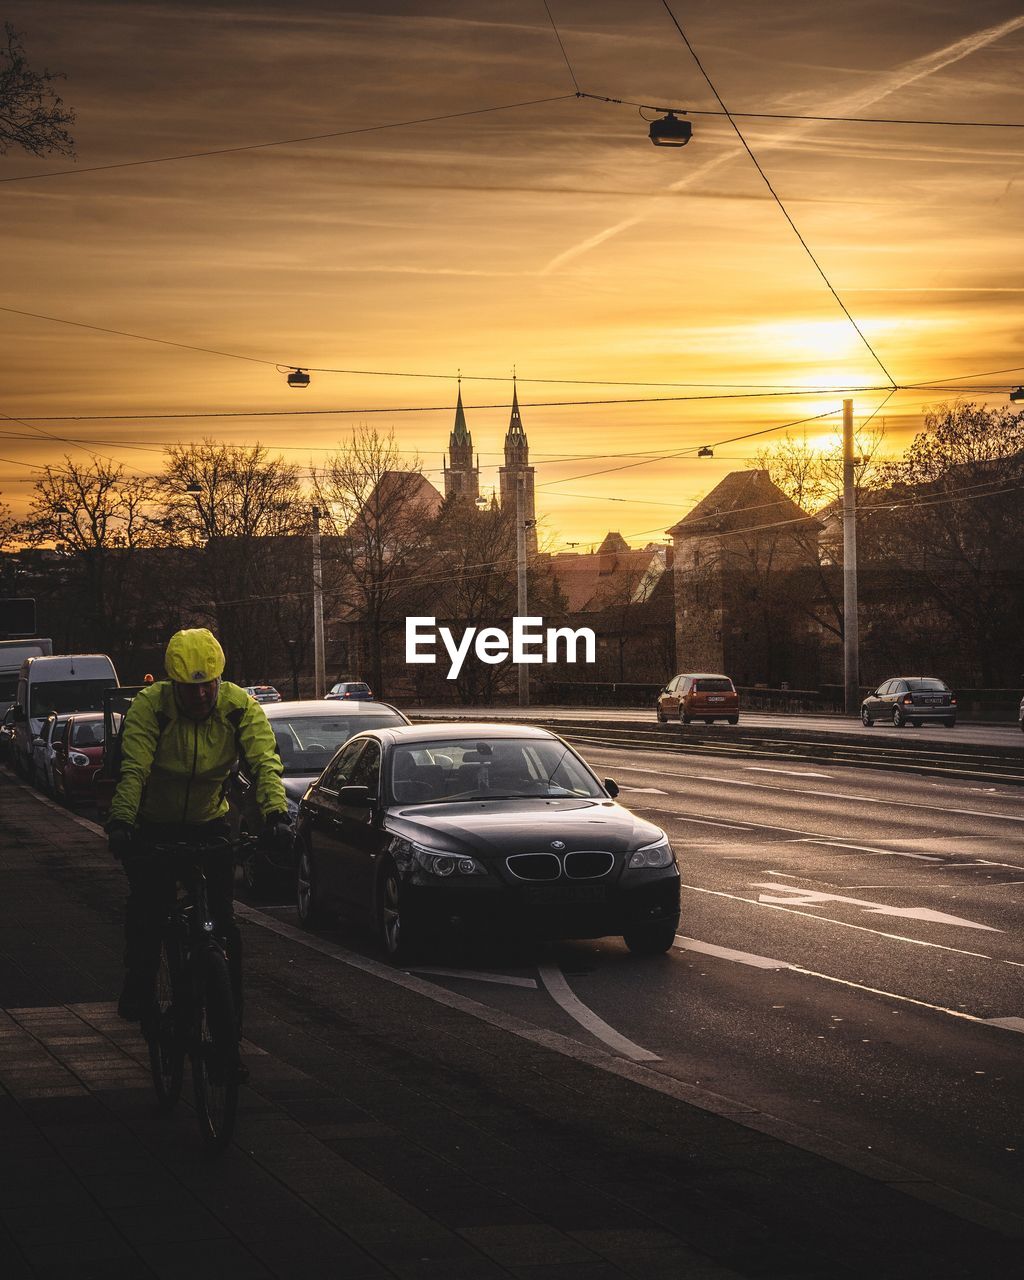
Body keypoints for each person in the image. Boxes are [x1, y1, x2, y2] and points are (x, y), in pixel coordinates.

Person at [105, 629, 291, 1048]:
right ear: (174, 684)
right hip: (153, 823)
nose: (202, 695)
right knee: (149, 913)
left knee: (223, 924)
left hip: (209, 821)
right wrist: (121, 822)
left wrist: (276, 815)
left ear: (219, 679)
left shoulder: (239, 707)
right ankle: (139, 984)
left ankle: (231, 1020)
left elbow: (264, 763)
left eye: (209, 685)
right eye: (191, 688)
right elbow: (134, 769)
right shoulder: (151, 709)